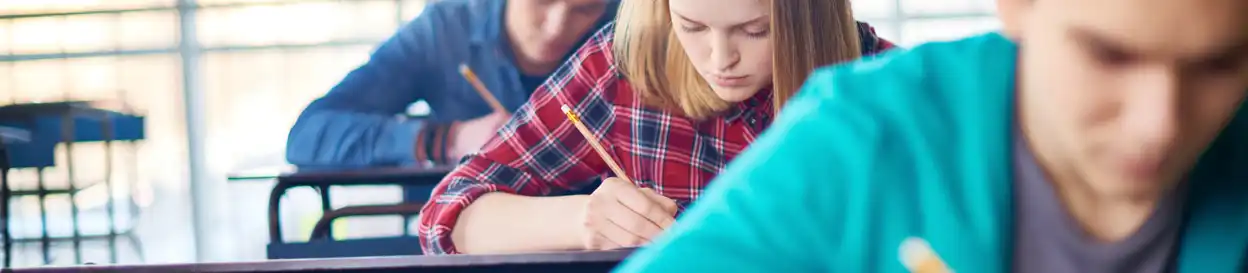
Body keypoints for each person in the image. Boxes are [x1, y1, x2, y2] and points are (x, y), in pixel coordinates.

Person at [614, 0, 1248, 271]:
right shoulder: (863, 135)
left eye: (1220, 65)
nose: (1158, 125)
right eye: (1109, 56)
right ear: (1018, 6)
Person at [416, 0, 896, 255]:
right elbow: (444, 216)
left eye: (756, 30)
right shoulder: (623, 65)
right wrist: (583, 221)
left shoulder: (886, 85)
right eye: (691, 24)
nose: (719, 58)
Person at [285, 0, 619, 170]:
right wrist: (448, 140)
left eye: (584, 9)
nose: (556, 28)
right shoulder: (444, 29)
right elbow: (309, 134)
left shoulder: (628, 29)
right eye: (543, 1)